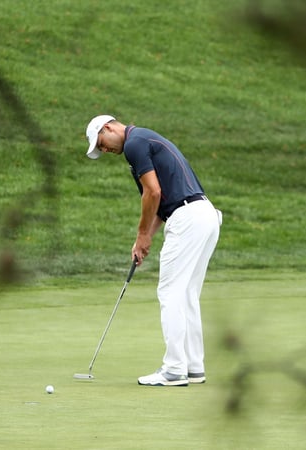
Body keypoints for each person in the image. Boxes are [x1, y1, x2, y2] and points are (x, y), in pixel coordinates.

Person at [84, 114, 221, 386]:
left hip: (187, 218)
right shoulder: (145, 139)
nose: (105, 150)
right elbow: (157, 204)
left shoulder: (135, 143)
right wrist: (142, 241)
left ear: (108, 128)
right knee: (187, 294)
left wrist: (142, 234)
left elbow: (153, 193)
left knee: (170, 292)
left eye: (102, 143)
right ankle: (193, 367)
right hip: (205, 215)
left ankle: (173, 369)